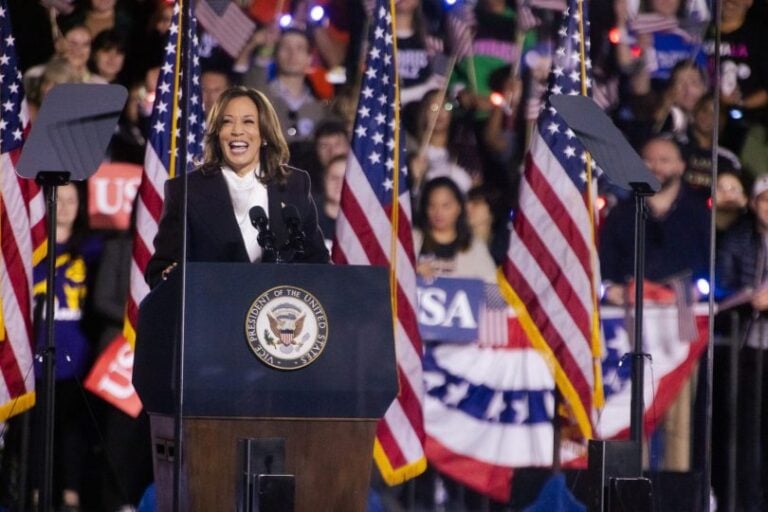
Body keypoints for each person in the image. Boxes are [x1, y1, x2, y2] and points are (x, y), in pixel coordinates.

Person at [146, 86, 329, 288]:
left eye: (248, 121)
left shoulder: (294, 183)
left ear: (265, 134)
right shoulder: (186, 190)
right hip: (215, 310)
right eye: (227, 122)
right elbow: (160, 269)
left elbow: (317, 261)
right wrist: (170, 275)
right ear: (217, 133)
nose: (237, 131)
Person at [414, 177, 496, 284]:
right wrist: (412, 272)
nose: (438, 212)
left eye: (446, 206)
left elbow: (492, 286)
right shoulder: (411, 239)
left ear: (459, 207)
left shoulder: (474, 247)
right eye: (432, 206)